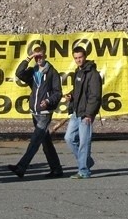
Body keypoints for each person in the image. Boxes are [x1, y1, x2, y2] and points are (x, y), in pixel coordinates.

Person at [9, 46, 64, 179]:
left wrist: (48, 101)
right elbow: (19, 73)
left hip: (45, 112)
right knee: (45, 142)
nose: (38, 59)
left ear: (45, 56)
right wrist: (28, 58)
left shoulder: (52, 72)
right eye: (36, 56)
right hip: (35, 112)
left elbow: (58, 92)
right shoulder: (32, 71)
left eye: (41, 56)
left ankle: (21, 168)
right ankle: (56, 169)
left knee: (34, 141)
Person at [64, 45, 102, 179]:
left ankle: (84, 171)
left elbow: (95, 96)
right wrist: (71, 95)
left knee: (84, 142)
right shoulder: (78, 72)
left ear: (85, 57)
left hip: (86, 114)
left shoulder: (93, 74)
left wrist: (89, 114)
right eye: (76, 58)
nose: (78, 60)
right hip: (76, 112)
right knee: (68, 138)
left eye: (80, 57)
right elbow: (78, 91)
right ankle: (87, 161)